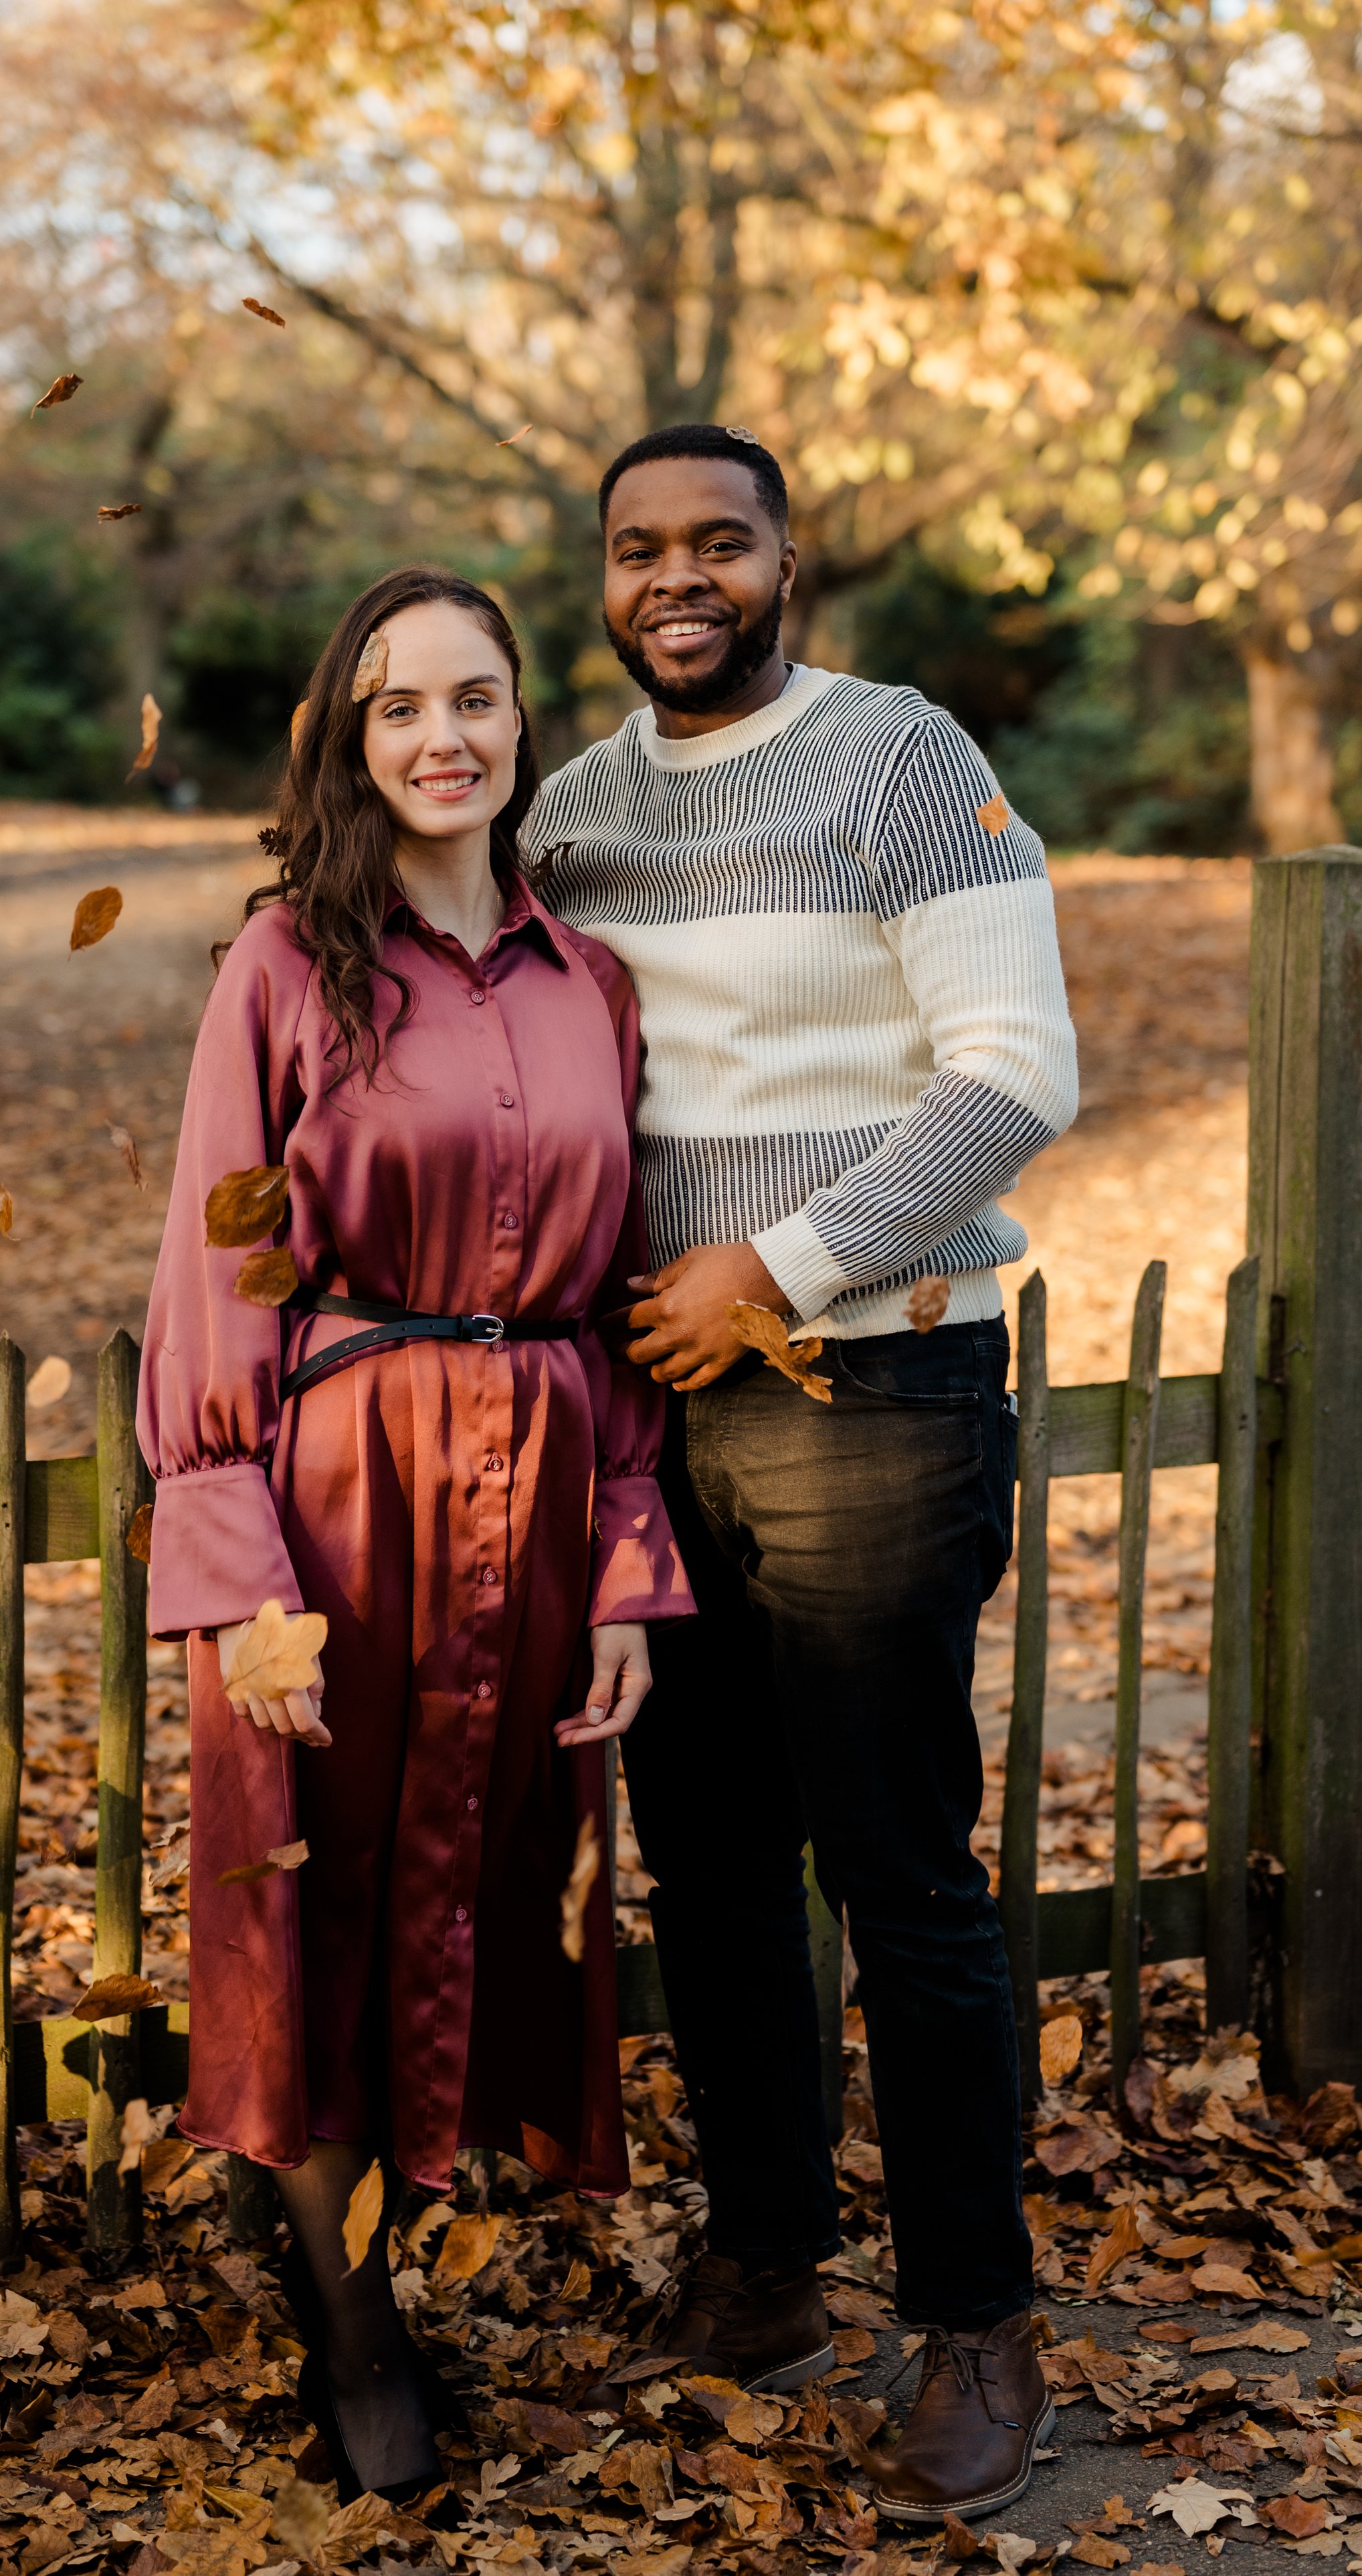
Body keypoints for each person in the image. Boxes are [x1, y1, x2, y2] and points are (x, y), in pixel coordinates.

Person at [526, 425, 1079, 2523]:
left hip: (870, 1398)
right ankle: (765, 2260)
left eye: (717, 542)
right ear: (604, 573)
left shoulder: (901, 761)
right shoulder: (572, 812)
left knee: (899, 1873)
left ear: (785, 557)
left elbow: (1015, 1069)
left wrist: (775, 1261)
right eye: (638, 546)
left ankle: (972, 2313)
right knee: (715, 1870)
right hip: (655, 1420)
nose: (678, 576)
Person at [136, 565, 694, 2502]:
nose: (441, 736)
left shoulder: (587, 977)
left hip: (531, 1483)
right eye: (398, 706)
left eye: (475, 696)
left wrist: (627, 1552)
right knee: (313, 1886)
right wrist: (239, 1576)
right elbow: (218, 1268)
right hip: (336, 1484)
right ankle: (352, 2323)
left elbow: (616, 1288)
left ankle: (387, 2230)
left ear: (524, 717)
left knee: (471, 1871)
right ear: (347, 738)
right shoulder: (285, 963)